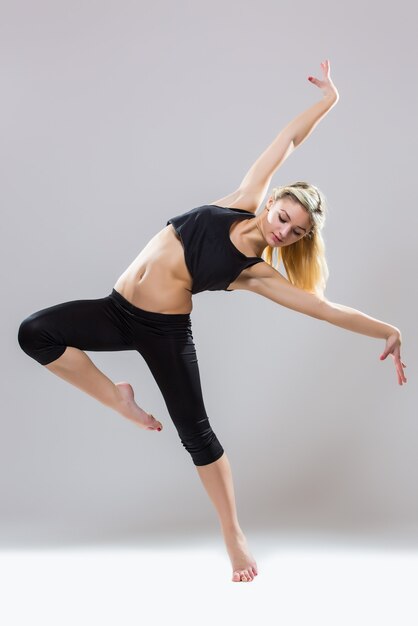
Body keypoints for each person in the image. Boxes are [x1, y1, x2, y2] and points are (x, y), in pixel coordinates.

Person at [17, 59, 407, 583]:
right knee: (35, 332)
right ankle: (117, 399)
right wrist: (328, 101)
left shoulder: (254, 274)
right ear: (271, 204)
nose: (282, 231)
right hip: (116, 310)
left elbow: (322, 307)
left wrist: (387, 329)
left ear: (298, 241)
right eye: (283, 217)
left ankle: (233, 534)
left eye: (294, 234)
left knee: (197, 436)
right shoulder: (242, 200)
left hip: (163, 331)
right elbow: (288, 140)